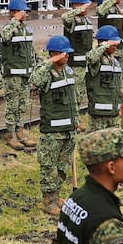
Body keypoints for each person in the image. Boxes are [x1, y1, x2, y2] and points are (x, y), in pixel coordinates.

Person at [31, 35, 79, 216]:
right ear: (55, 54)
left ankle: (56, 195)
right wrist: (49, 61)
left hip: (68, 129)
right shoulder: (45, 73)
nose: (68, 57)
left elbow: (73, 99)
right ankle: (47, 200)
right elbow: (34, 80)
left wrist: (75, 121)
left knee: (62, 165)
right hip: (52, 130)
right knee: (48, 166)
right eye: (64, 54)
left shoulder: (69, 71)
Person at [1, 0, 37, 151]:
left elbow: (31, 51)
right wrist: (14, 20)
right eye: (23, 12)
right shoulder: (9, 27)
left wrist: (34, 70)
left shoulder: (27, 29)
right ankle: (10, 135)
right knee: (12, 105)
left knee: (22, 105)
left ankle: (20, 133)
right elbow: (4, 36)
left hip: (25, 73)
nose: (25, 15)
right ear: (14, 12)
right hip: (13, 73)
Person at [85, 26, 123, 133]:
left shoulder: (114, 61)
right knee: (96, 145)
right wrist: (104, 45)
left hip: (113, 112)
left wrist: (120, 93)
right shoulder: (97, 60)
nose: (116, 46)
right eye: (113, 44)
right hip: (99, 113)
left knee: (114, 145)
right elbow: (90, 57)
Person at [62, 0, 94, 118]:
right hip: (74, 64)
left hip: (85, 64)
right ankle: (71, 118)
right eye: (82, 5)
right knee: (73, 94)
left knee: (80, 94)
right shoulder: (72, 20)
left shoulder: (87, 21)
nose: (86, 8)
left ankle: (76, 119)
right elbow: (65, 17)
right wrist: (78, 9)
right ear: (75, 5)